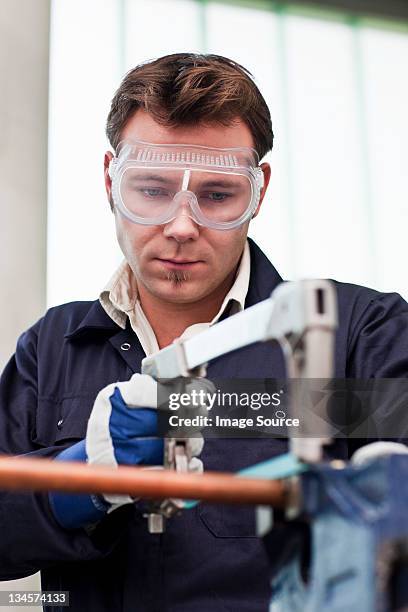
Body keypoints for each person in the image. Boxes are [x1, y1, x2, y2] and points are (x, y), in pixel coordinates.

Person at [0, 52, 408, 612]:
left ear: (258, 191)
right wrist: (78, 484)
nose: (182, 226)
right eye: (151, 190)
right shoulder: (53, 347)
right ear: (108, 181)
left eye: (217, 196)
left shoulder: (355, 332)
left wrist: (223, 411)